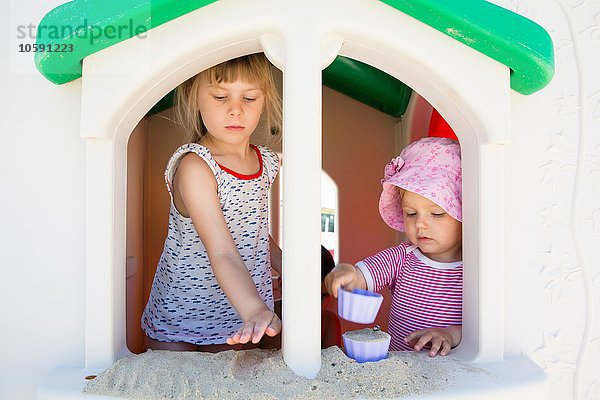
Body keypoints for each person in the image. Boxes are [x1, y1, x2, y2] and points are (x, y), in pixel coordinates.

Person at [141, 53, 283, 352]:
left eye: (249, 98)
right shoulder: (196, 167)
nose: (235, 110)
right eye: (220, 96)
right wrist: (255, 309)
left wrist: (293, 270)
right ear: (194, 96)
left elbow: (252, 228)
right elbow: (221, 251)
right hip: (181, 315)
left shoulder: (266, 163)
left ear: (265, 100)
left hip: (235, 313)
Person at [325, 137, 462, 357]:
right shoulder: (402, 257)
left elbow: (485, 326)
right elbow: (361, 276)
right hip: (400, 371)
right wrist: (346, 272)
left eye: (436, 213)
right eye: (411, 213)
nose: (420, 224)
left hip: (455, 374)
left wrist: (450, 334)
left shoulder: (476, 268)